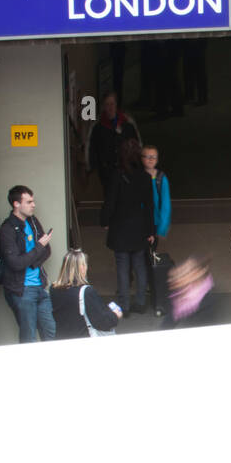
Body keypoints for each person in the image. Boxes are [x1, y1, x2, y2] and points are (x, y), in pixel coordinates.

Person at [100, 135, 155, 315]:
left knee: (123, 267)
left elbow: (110, 202)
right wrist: (150, 230)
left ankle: (124, 305)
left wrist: (105, 221)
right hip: (139, 227)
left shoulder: (117, 176)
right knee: (140, 265)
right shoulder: (145, 177)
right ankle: (140, 302)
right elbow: (149, 207)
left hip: (120, 228)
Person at [0, 187, 55, 342]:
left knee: (51, 333)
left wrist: (30, 261)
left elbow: (47, 250)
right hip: (22, 291)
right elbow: (16, 263)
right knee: (29, 338)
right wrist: (38, 248)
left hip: (40, 287)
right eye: (29, 202)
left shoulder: (33, 220)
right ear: (16, 204)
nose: (34, 205)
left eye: (33, 201)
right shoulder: (7, 229)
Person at [50, 249, 122, 339]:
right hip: (82, 339)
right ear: (82, 267)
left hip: (61, 339)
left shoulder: (54, 288)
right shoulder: (86, 291)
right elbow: (102, 322)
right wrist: (114, 315)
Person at [142, 144, 172, 317]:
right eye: (147, 156)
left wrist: (160, 228)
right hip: (139, 224)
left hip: (153, 225)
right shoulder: (138, 176)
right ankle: (145, 284)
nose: (150, 160)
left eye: (153, 157)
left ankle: (149, 285)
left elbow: (165, 204)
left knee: (149, 256)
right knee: (142, 257)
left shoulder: (161, 178)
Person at [88, 92, 140, 182]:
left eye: (112, 104)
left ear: (116, 105)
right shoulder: (97, 128)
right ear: (103, 107)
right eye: (107, 104)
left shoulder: (127, 124)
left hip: (127, 173)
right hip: (107, 174)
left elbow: (137, 147)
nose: (110, 107)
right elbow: (92, 151)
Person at [163, 256, 217, 328]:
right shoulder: (182, 292)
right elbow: (169, 319)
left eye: (187, 272)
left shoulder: (206, 304)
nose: (178, 275)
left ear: (199, 273)